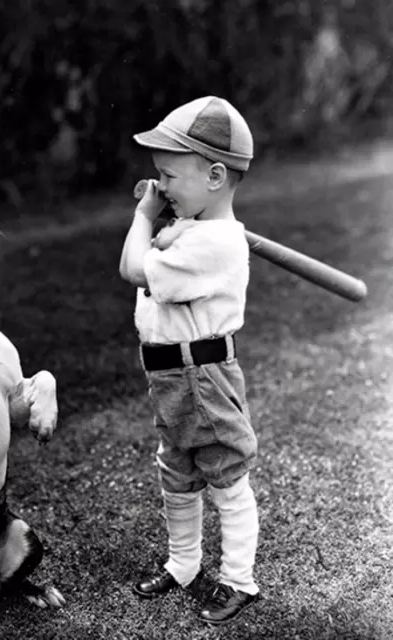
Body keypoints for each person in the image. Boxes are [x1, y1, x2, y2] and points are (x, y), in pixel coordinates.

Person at [119, 96, 260, 627]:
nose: (159, 188)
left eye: (168, 175)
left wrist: (142, 218)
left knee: (225, 473)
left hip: (203, 376)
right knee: (176, 470)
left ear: (216, 176)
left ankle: (240, 580)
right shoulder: (195, 231)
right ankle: (184, 563)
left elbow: (133, 269)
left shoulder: (216, 242)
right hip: (169, 374)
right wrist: (170, 224)